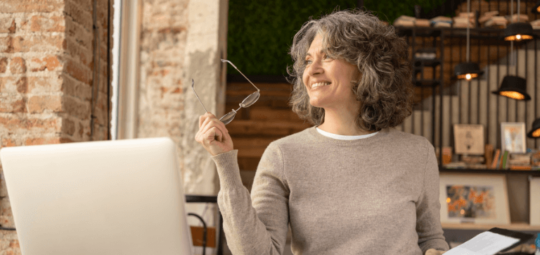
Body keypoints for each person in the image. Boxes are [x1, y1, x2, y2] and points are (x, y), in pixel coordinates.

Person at [196, 9, 449, 255]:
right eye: (308, 61)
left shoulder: (418, 152)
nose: (312, 69)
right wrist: (225, 163)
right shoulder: (283, 155)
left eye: (327, 56)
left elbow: (431, 238)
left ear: (365, 67)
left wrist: (435, 251)